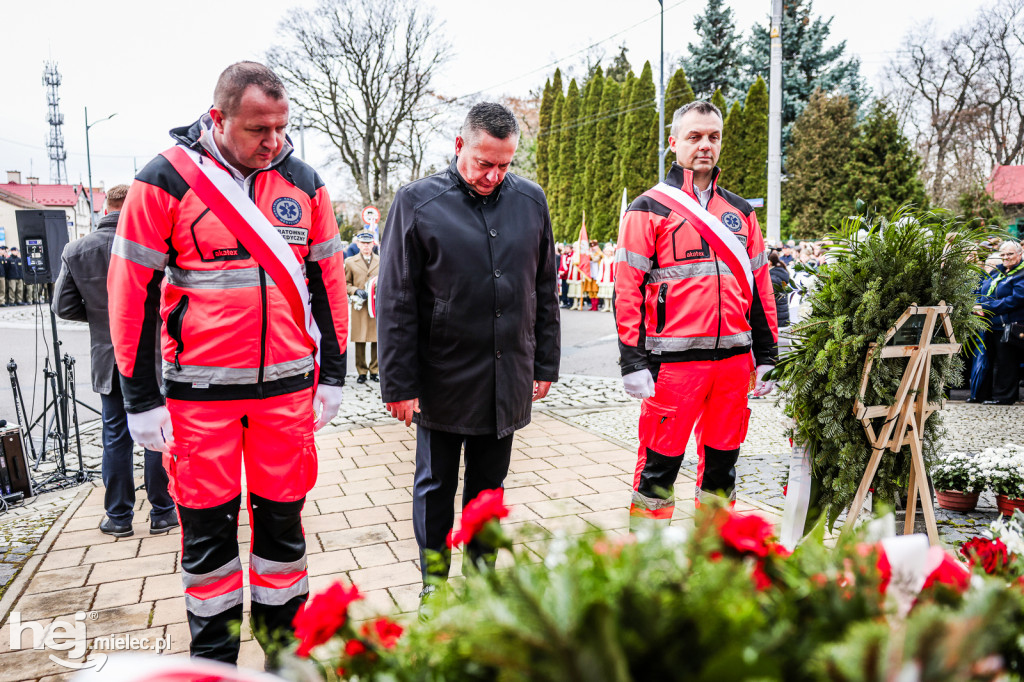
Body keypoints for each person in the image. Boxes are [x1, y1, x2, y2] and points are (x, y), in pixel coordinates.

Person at [107, 61, 349, 663]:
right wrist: (139, 398)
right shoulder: (163, 182)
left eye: (281, 127)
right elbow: (128, 293)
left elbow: (328, 282)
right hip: (200, 400)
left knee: (282, 539)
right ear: (218, 119)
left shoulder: (304, 182)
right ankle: (213, 663)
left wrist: (336, 374)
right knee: (209, 544)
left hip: (286, 396)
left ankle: (284, 659)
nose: (273, 143)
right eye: (256, 130)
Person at [378, 102, 560, 601]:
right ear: (460, 146)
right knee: (436, 487)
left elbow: (544, 285)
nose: (494, 176)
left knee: (489, 488)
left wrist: (545, 362)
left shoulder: (530, 200)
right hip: (442, 375)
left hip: (507, 373)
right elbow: (395, 299)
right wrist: (398, 384)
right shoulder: (416, 202)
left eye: (505, 165)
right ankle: (434, 587)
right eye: (484, 163)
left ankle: (482, 586)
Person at [614, 100, 778, 526]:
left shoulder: (741, 212)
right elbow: (627, 289)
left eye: (713, 136)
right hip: (673, 365)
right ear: (674, 143)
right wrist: (632, 361)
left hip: (733, 364)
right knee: (658, 471)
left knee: (723, 470)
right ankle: (647, 566)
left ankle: (715, 558)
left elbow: (760, 289)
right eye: (694, 136)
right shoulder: (648, 208)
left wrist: (767, 357)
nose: (705, 145)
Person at [53, 184, 177, 538]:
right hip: (154, 355)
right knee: (159, 433)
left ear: (104, 209)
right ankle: (163, 511)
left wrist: (101, 318)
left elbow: (62, 306)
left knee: (115, 438)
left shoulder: (76, 249)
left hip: (109, 357)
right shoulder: (153, 246)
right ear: (134, 207)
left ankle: (119, 516)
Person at [971, 240, 1024, 404]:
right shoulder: (998, 271)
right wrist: (977, 304)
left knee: (1006, 362)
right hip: (990, 324)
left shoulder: (1021, 273)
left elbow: (1016, 299)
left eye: (1010, 254)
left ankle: (1004, 397)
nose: (1006, 257)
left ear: (1020, 254)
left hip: (1009, 325)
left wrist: (987, 307)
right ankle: (985, 395)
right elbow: (982, 287)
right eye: (1003, 254)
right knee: (991, 361)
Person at [346, 232, 379, 383]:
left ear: (373, 244)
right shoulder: (351, 262)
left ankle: (375, 370)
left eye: (368, 243)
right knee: (359, 339)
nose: (366, 246)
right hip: (359, 305)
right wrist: (355, 290)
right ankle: (361, 371)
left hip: (375, 305)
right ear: (358, 244)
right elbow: (345, 284)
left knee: (376, 339)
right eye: (363, 243)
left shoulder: (381, 261)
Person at [768, 250, 791, 355]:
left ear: (770, 262)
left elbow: (770, 295)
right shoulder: (781, 272)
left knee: (773, 339)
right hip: (782, 307)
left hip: (777, 308)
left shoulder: (772, 276)